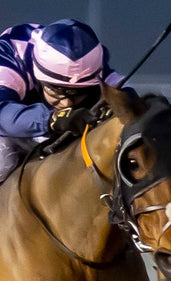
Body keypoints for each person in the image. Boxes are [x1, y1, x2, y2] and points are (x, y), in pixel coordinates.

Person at [0, 18, 122, 179]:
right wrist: (52, 119)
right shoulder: (10, 55)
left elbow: (123, 92)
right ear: (39, 76)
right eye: (57, 91)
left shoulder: (92, 62)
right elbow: (3, 115)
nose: (66, 103)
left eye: (78, 93)